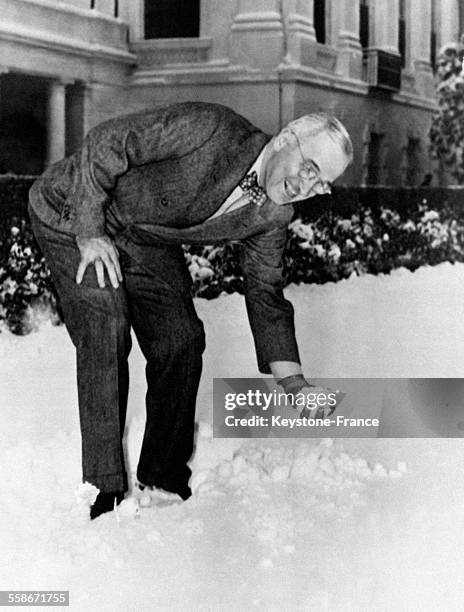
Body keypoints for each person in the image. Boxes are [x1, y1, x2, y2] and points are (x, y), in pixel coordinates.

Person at [28, 101, 352, 518]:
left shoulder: (273, 214)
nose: (308, 185)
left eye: (321, 183)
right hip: (73, 210)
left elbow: (266, 293)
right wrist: (90, 232)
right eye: (310, 167)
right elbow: (108, 141)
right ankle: (102, 490)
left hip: (142, 234)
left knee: (181, 338)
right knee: (106, 327)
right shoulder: (210, 129)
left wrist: (295, 386)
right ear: (286, 139)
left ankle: (162, 476)